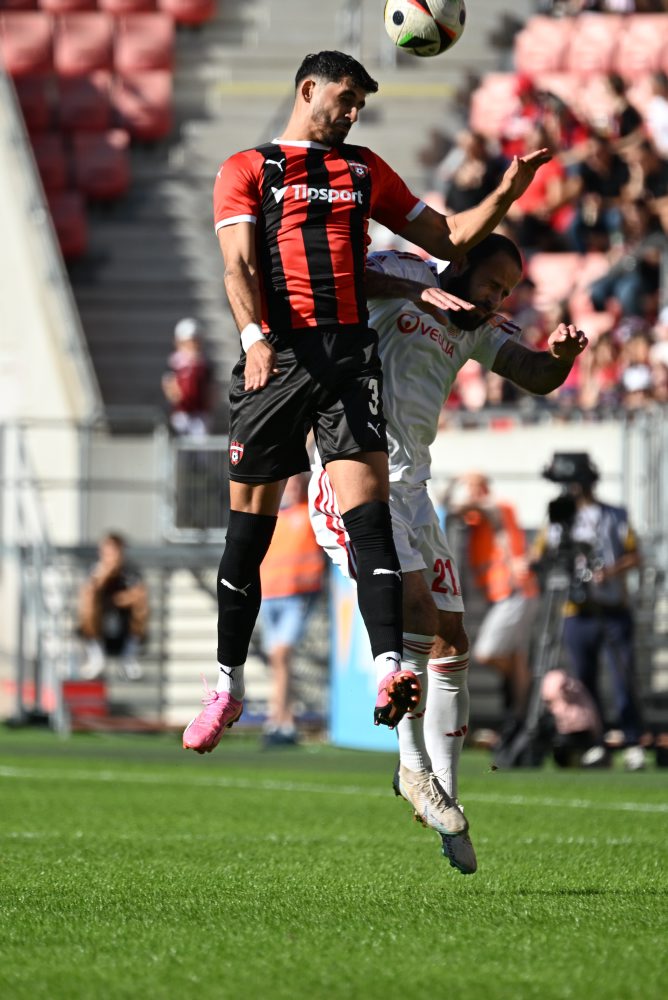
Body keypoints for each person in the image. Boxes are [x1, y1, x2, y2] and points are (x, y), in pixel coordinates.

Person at [182, 50, 551, 762]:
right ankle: (227, 683)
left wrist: (506, 190)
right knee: (246, 537)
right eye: (345, 99)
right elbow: (238, 264)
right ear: (308, 88)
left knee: (370, 520)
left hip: (349, 360)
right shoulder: (249, 168)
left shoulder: (364, 171)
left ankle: (390, 668)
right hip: (280, 356)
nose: (352, 114)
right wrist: (254, 336)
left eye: (361, 106)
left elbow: (447, 239)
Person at [309, 232, 588, 871]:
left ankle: (446, 795)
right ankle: (411, 768)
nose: (495, 297)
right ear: (457, 264)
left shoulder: (473, 328)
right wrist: (418, 287)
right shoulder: (400, 275)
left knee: (452, 640)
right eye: (491, 283)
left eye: (506, 292)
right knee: (417, 614)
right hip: (352, 474)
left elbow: (534, 374)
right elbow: (344, 279)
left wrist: (562, 358)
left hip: (414, 491)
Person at [532, 452, 646, 770]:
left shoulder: (615, 514)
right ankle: (595, 743)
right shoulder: (556, 518)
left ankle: (632, 740)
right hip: (574, 610)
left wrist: (607, 572)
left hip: (611, 608)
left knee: (623, 677)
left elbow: (635, 555)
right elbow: (538, 556)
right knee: (584, 681)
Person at [444, 472, 540, 742]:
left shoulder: (499, 506)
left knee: (488, 652)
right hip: (503, 594)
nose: (472, 492)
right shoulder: (480, 517)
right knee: (516, 656)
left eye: (475, 486)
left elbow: (463, 507)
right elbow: (449, 508)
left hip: (516, 589)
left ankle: (527, 688)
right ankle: (521, 710)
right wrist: (454, 486)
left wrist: (458, 487)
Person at [258, 473, 325, 746]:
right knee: (278, 660)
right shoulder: (274, 517)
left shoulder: (309, 514)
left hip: (297, 596)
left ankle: (278, 720)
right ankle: (284, 720)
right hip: (270, 594)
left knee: (281, 654)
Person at [78, 532, 148, 681]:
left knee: (141, 605)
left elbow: (139, 593)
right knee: (88, 603)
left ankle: (128, 658)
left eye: (113, 551)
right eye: (106, 551)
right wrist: (105, 573)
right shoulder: (95, 569)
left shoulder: (130, 570)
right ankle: (96, 657)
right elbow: (89, 592)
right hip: (99, 628)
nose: (109, 555)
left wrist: (114, 600)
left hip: (125, 626)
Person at [161, 317, 216, 438]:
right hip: (181, 413)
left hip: (200, 414)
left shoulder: (204, 364)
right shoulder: (174, 363)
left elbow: (211, 390)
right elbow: (170, 388)